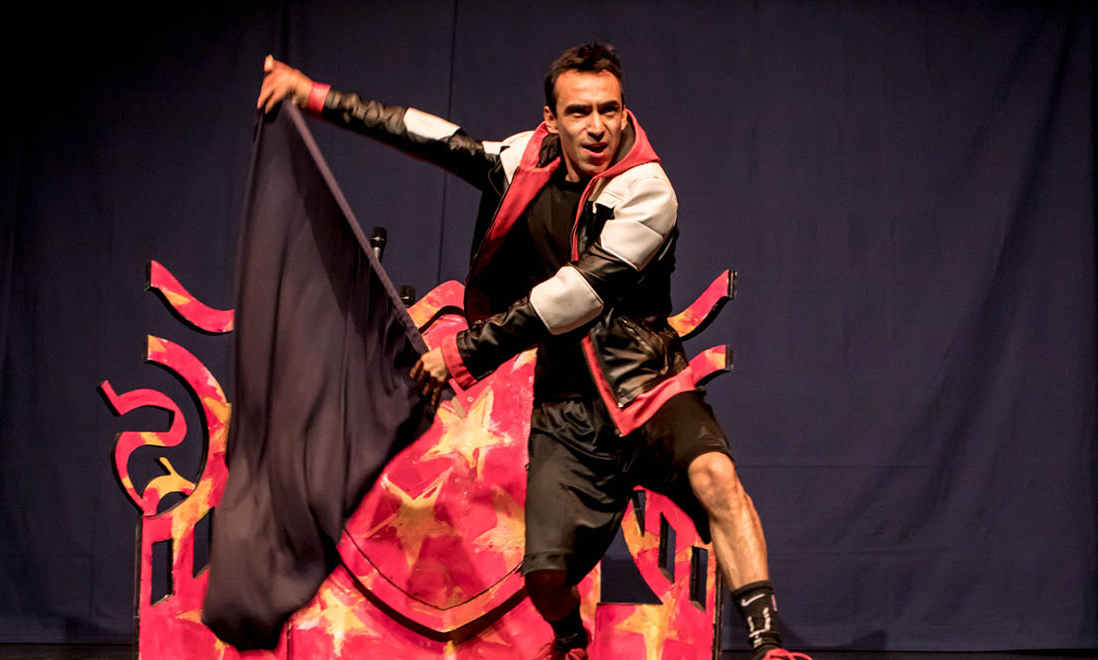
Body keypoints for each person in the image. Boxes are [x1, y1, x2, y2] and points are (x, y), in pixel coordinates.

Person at [258, 43, 807, 660]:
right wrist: (313, 95)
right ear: (552, 119)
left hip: (648, 384)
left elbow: (577, 295)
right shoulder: (523, 162)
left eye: (609, 110)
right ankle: (570, 640)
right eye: (579, 112)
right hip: (566, 405)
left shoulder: (649, 190)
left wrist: (465, 352)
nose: (597, 127)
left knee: (717, 477)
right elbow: (428, 136)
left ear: (624, 111)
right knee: (544, 575)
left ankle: (768, 646)